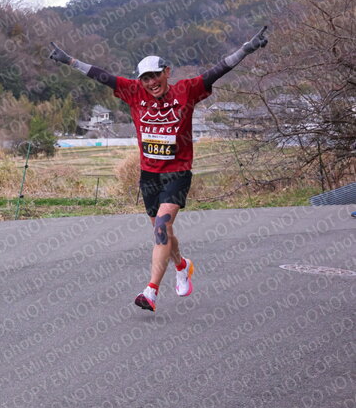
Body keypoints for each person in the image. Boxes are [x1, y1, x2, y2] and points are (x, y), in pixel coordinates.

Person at [48, 26, 269, 312]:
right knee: (161, 230)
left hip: (178, 172)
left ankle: (150, 291)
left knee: (162, 227)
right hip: (149, 174)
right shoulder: (133, 92)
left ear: (167, 72)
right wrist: (69, 61)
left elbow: (217, 70)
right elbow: (102, 75)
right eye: (145, 78)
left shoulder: (186, 90)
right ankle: (182, 265)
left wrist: (246, 49)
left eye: (155, 75)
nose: (151, 82)